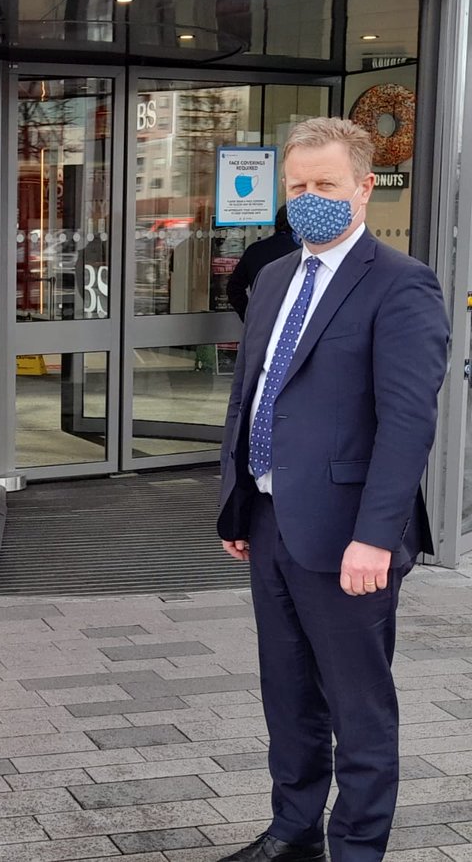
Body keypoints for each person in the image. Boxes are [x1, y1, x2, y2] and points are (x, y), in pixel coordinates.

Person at [217, 118, 449, 862]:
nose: (309, 198)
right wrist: (238, 497)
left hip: (351, 535)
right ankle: (293, 833)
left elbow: (407, 423)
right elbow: (250, 393)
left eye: (325, 185)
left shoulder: (401, 284)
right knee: (286, 695)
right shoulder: (277, 277)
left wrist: (376, 536)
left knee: (360, 707)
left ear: (363, 188)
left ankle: (357, 846)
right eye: (297, 187)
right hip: (271, 519)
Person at [226, 205, 300, 320]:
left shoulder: (255, 250)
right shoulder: (302, 253)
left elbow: (234, 288)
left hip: (260, 320)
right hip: (293, 322)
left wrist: (248, 315)